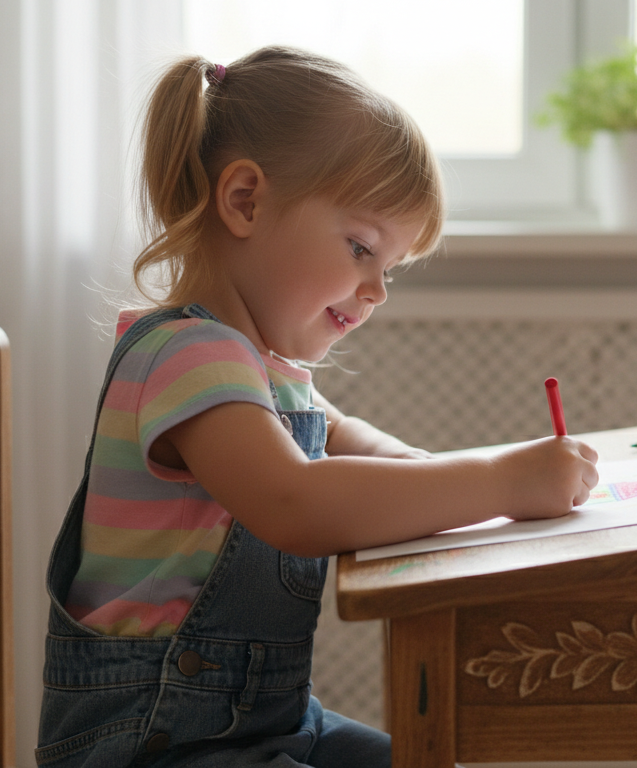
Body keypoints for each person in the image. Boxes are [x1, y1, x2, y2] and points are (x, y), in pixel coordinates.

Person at [36, 46, 599, 768]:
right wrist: (499, 481)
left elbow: (351, 441)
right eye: (362, 248)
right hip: (150, 745)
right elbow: (293, 501)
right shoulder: (188, 355)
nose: (377, 292)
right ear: (245, 201)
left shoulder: (267, 368)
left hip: (262, 725)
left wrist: (441, 476)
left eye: (389, 267)